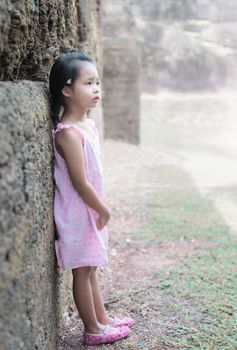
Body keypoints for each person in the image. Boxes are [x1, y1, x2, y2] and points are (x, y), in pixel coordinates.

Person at [48, 50, 134, 346]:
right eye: (88, 83)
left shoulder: (88, 126)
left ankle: (103, 320)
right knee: (82, 271)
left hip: (89, 210)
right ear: (67, 90)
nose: (96, 89)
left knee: (91, 267)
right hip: (78, 211)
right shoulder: (68, 134)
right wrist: (103, 209)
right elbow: (80, 182)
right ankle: (92, 330)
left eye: (97, 82)